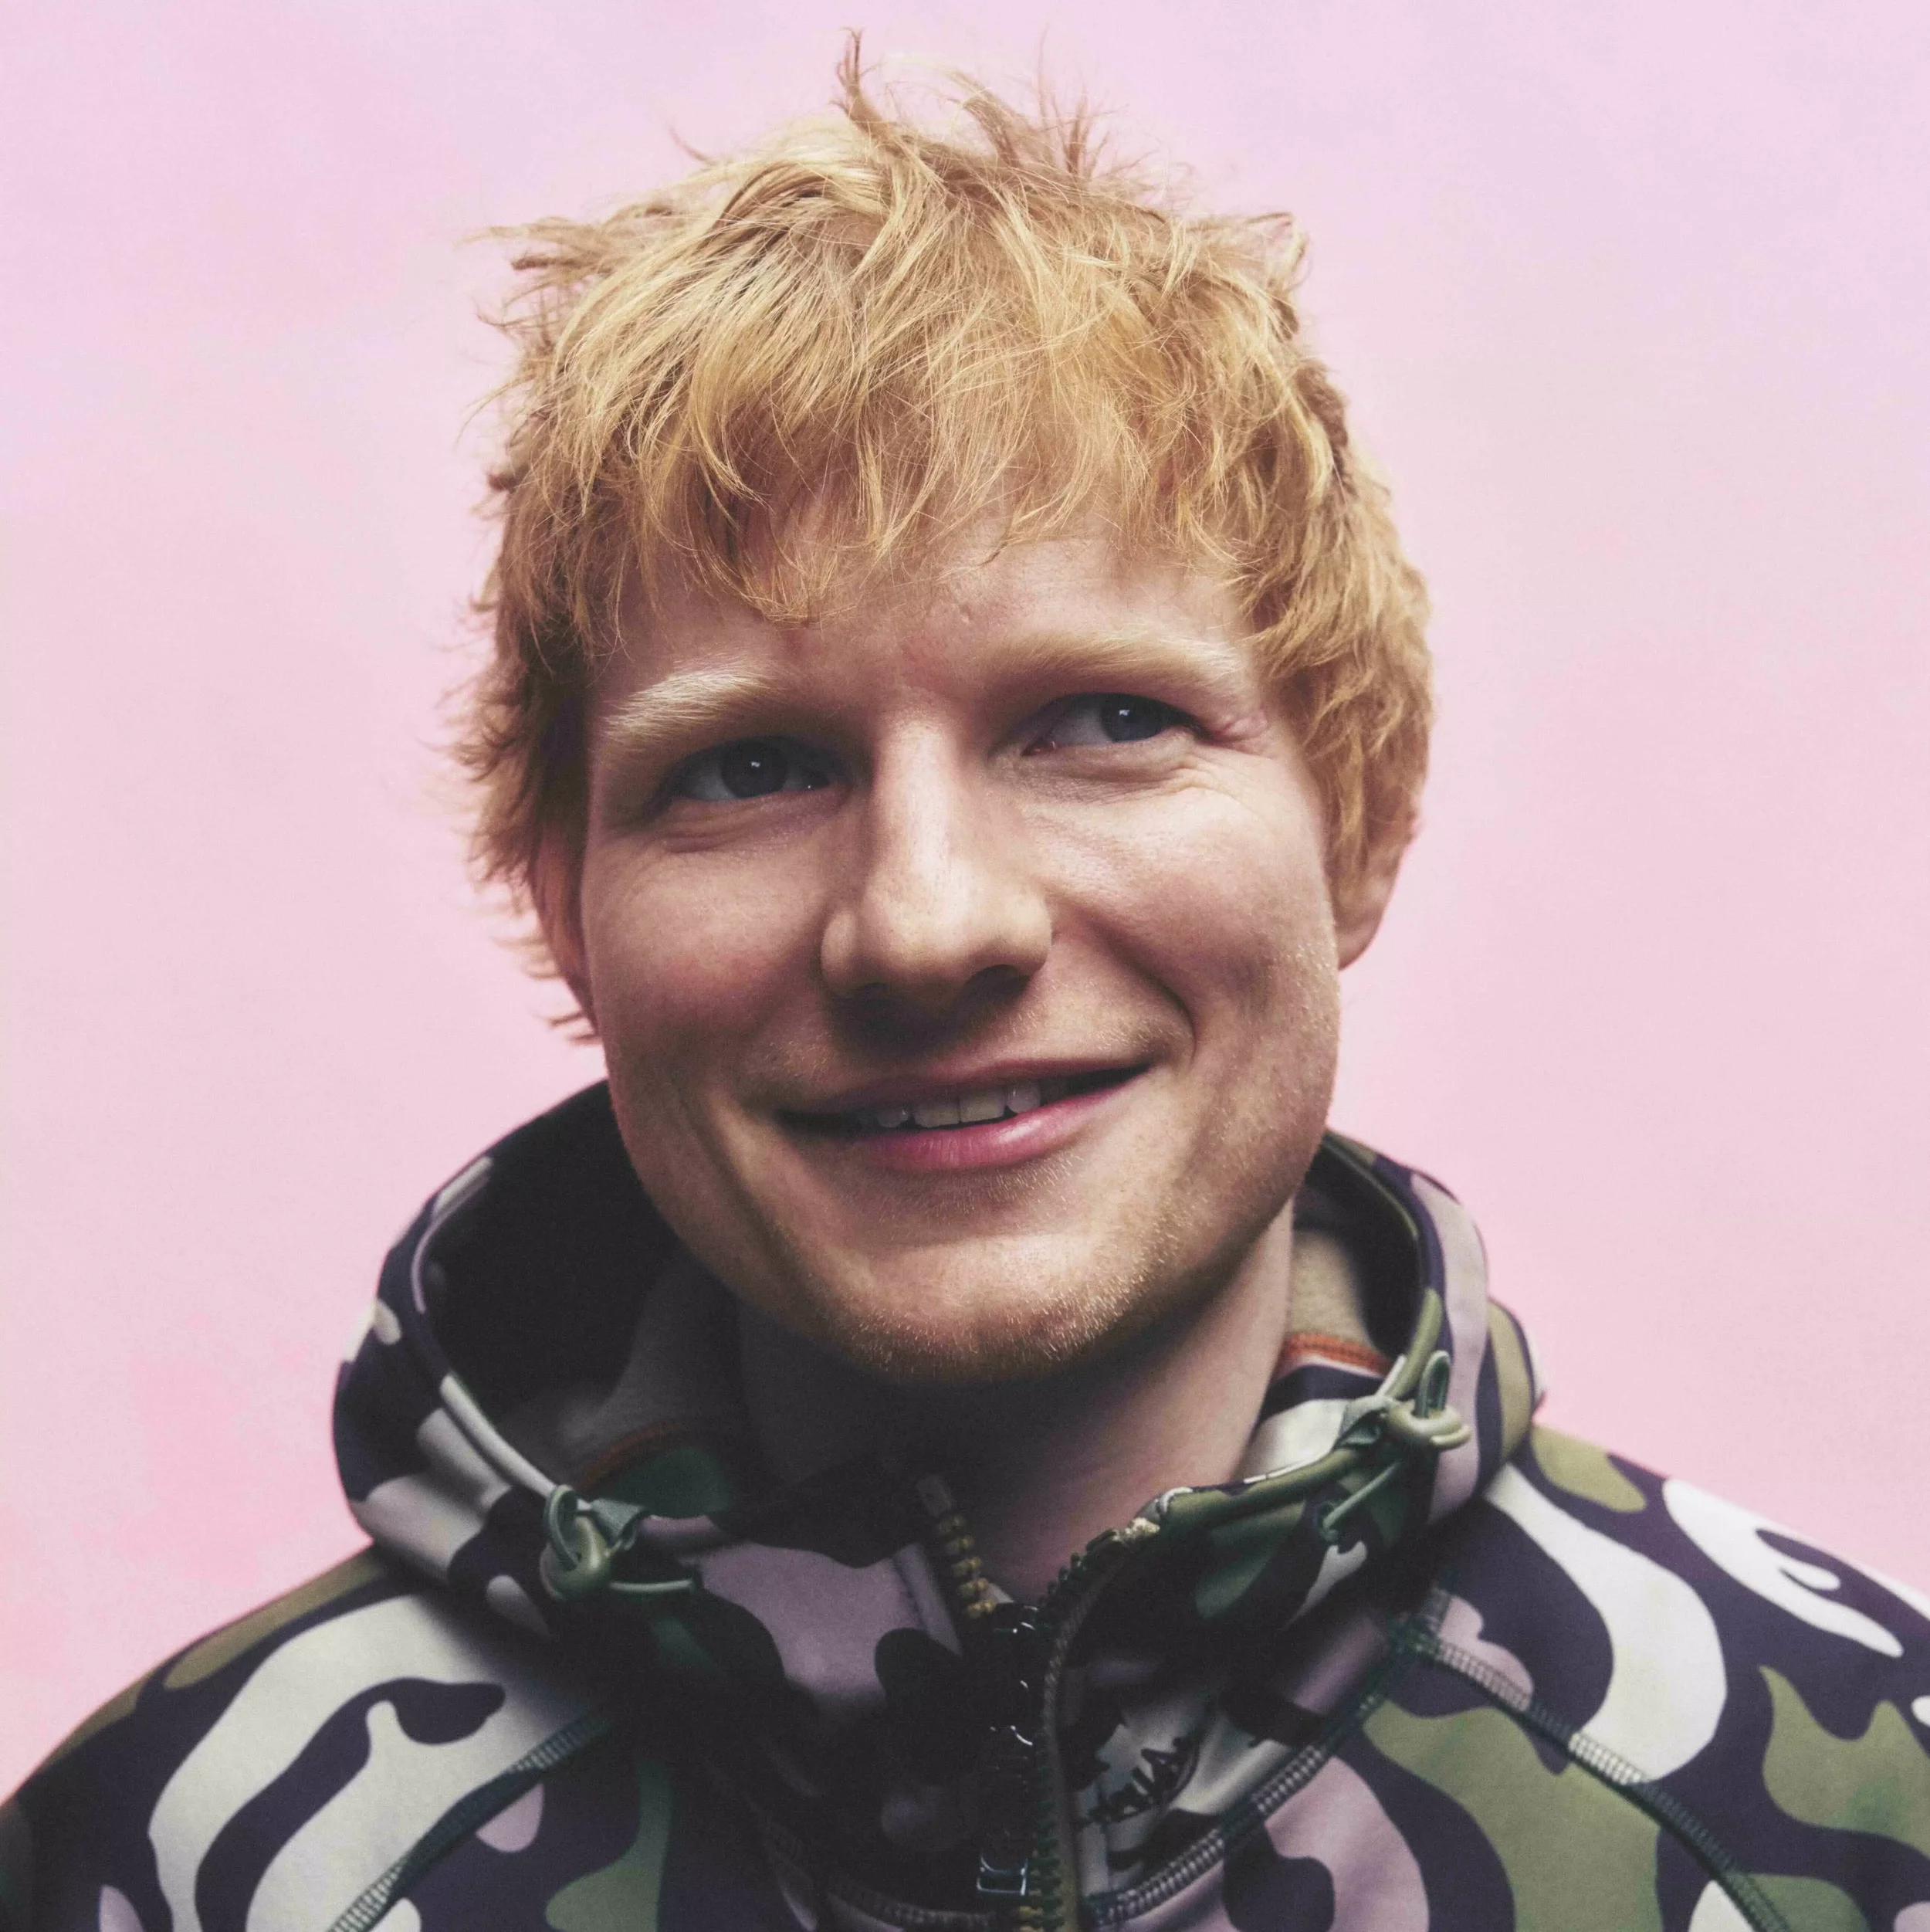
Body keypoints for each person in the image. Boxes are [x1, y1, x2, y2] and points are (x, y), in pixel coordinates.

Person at [7, 50, 1928, 1932]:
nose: (924, 925)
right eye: (749, 767)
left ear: (1356, 822)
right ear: (567, 908)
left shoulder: (1856, 1814)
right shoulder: (184, 1870)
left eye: (1099, 722)